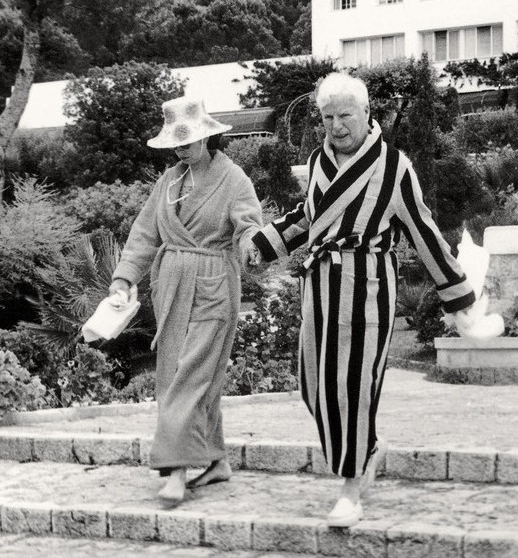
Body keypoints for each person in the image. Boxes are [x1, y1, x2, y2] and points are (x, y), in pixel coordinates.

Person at [249, 72, 475, 528]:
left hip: (367, 289)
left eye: (345, 115)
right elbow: (309, 216)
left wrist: (458, 295)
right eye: (328, 117)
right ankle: (367, 447)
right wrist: (265, 241)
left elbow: (424, 232)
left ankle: (350, 488)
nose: (336, 126)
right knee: (314, 387)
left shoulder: (394, 167)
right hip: (319, 288)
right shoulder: (317, 160)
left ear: (367, 113)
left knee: (350, 386)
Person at [109, 96, 262, 505]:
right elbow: (144, 234)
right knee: (179, 374)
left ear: (208, 136)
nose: (182, 148)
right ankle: (217, 461)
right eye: (176, 142)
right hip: (172, 288)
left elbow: (249, 225)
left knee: (189, 376)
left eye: (189, 139)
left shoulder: (234, 179)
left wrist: (253, 247)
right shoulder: (169, 181)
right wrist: (123, 279)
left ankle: (176, 470)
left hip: (214, 284)